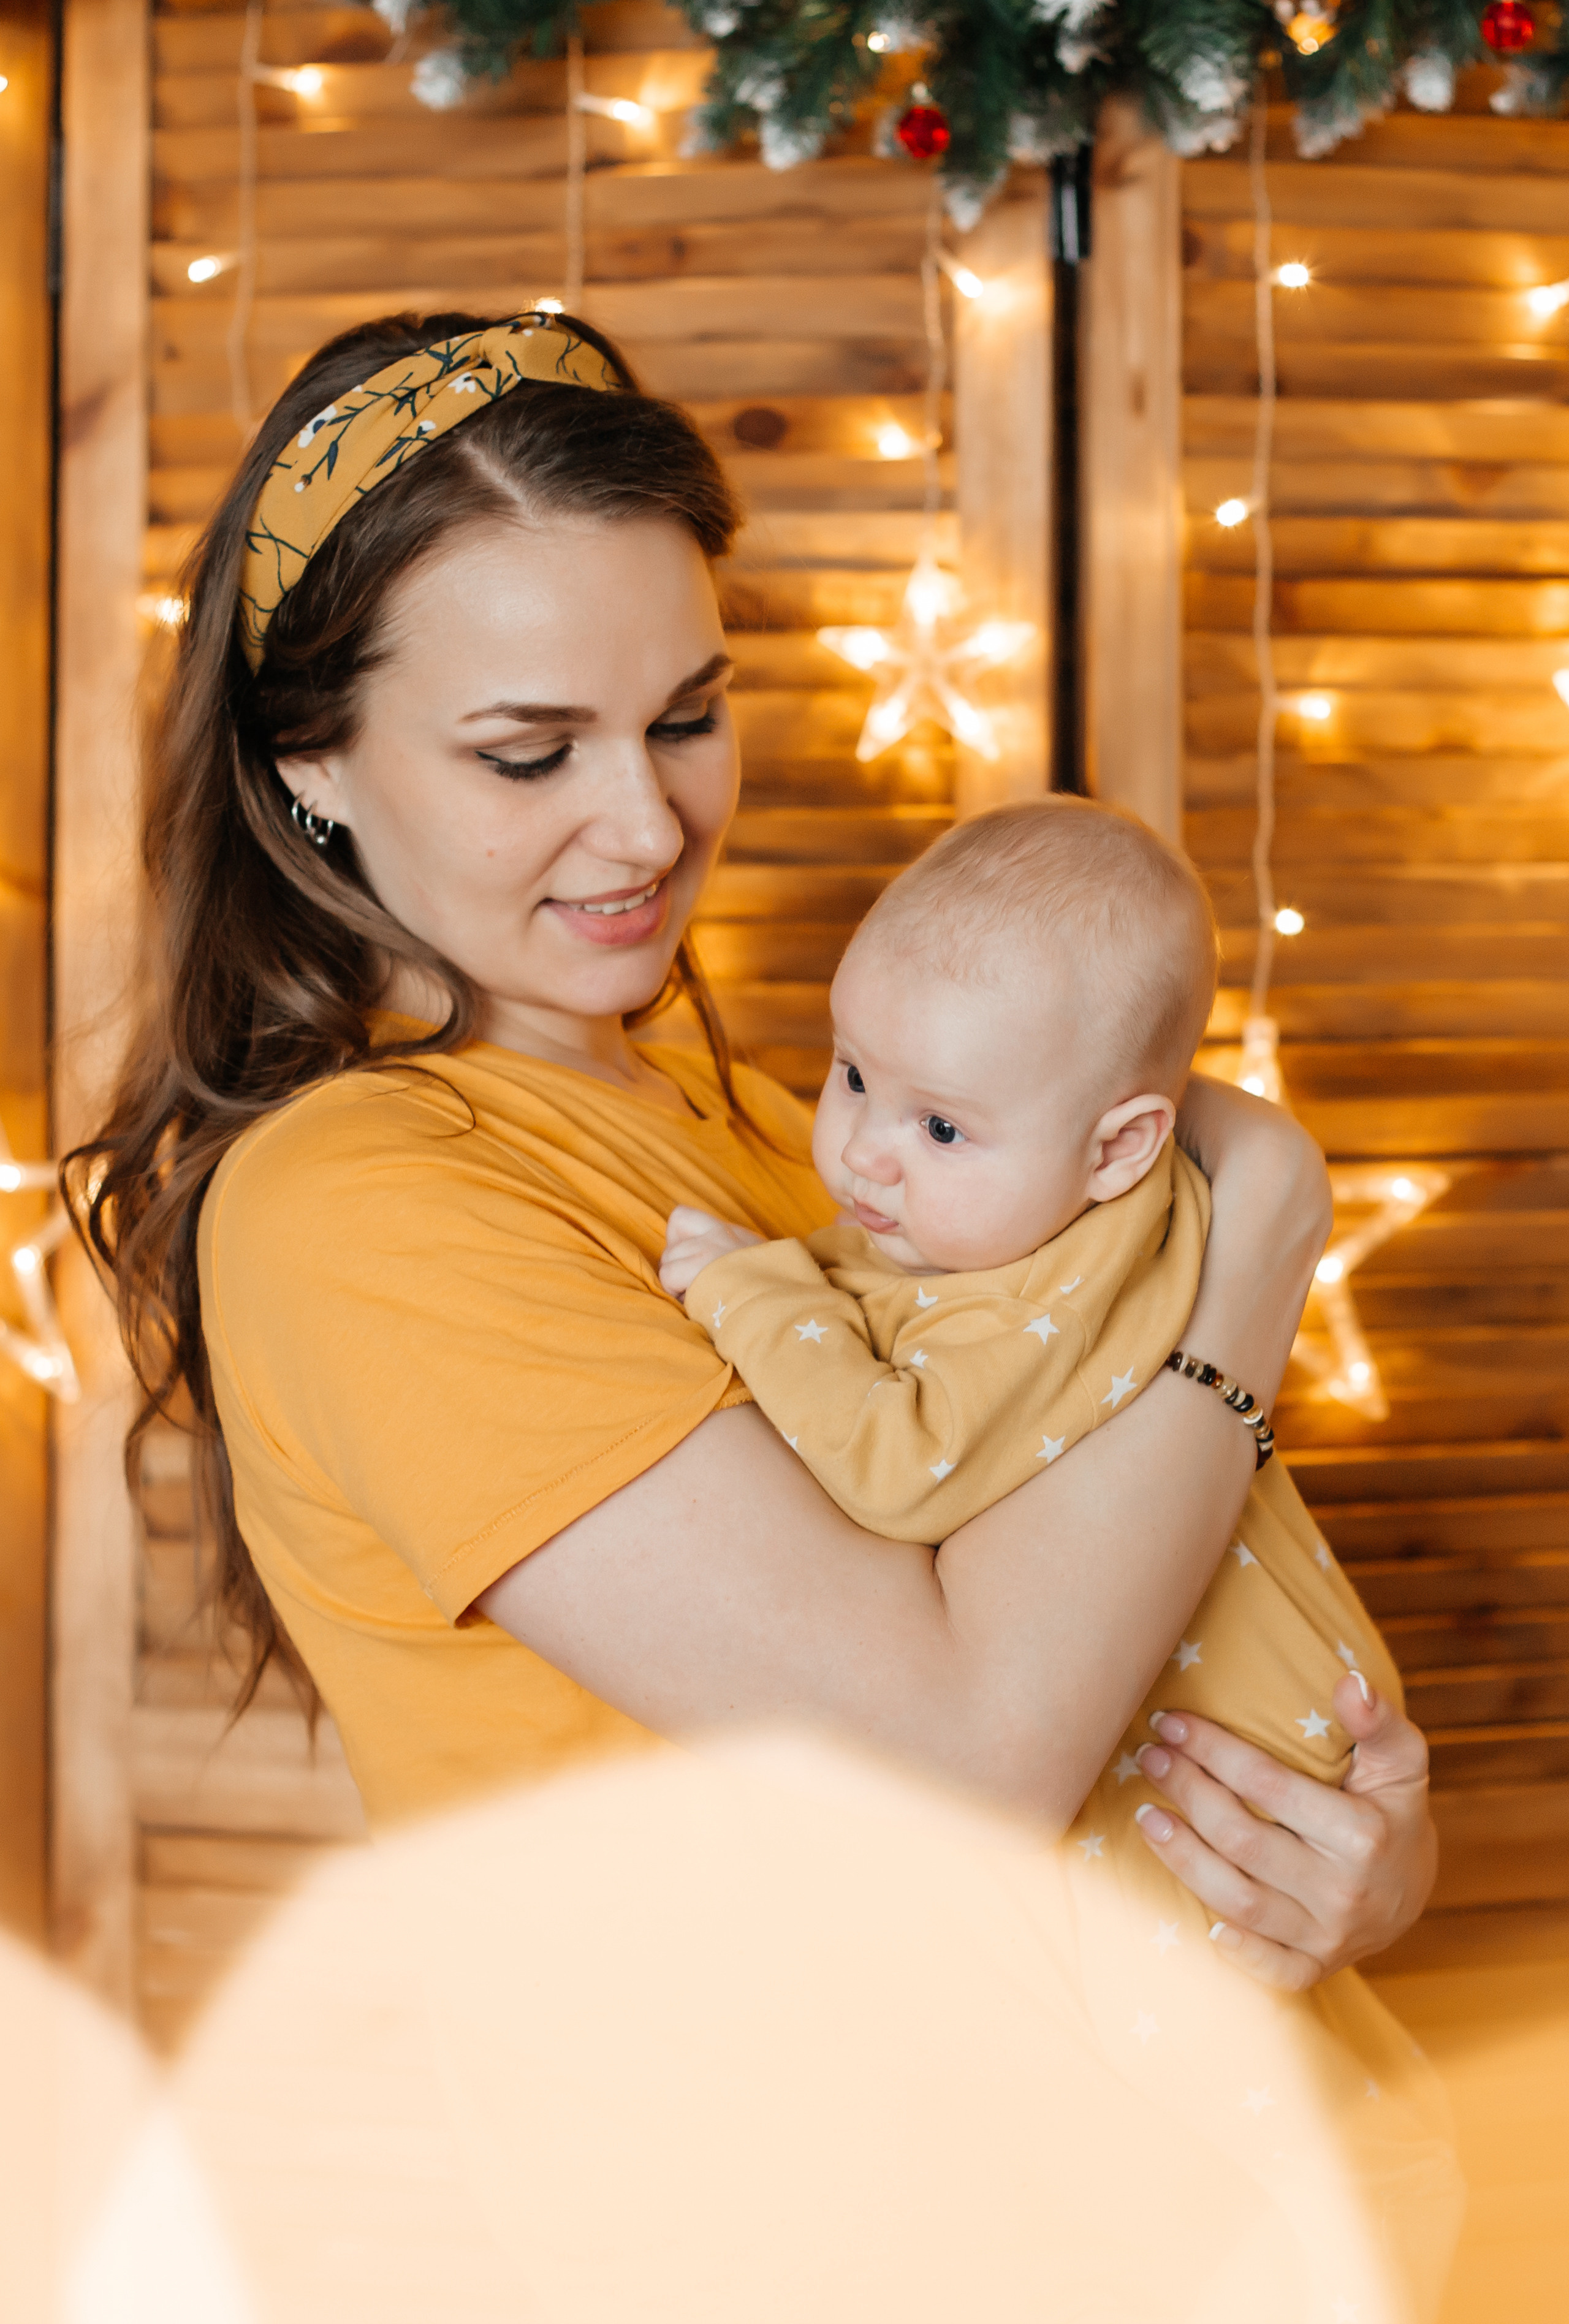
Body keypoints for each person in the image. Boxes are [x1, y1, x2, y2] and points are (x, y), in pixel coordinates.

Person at [74, 308, 1436, 2011]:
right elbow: (965, 1759)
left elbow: (1092, 1620)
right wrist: (1259, 1246)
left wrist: (1326, 1848)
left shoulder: (778, 1133)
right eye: (529, 750)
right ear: (308, 764)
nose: (649, 825)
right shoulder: (356, 1210)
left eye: (688, 715)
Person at [659, 795, 1459, 2318]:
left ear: (1119, 1148)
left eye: (939, 1125)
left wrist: (747, 1296)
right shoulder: (1029, 1209)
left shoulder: (1046, 1279)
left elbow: (899, 1464)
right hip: (1198, 1733)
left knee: (1179, 2119)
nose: (866, 1159)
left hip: (1203, 1735)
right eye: (848, 1077)